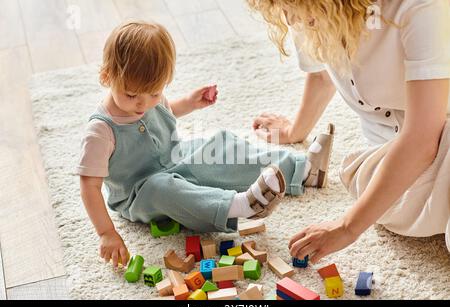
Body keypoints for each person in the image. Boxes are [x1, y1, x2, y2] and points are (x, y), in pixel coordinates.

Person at [77, 21, 335, 268]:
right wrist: (106, 233)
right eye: (132, 95)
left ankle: (303, 169)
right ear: (106, 76)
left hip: (175, 157)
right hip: (140, 193)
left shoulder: (147, 96)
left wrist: (188, 103)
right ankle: (239, 205)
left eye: (154, 93)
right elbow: (90, 186)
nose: (143, 105)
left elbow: (166, 112)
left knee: (217, 145)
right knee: (162, 186)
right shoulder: (101, 131)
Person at [247, 0, 450, 263]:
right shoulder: (305, 10)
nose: (289, 19)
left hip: (433, 135)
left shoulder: (421, 7)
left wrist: (347, 227)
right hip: (384, 161)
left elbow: (423, 138)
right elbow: (322, 75)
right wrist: (294, 130)